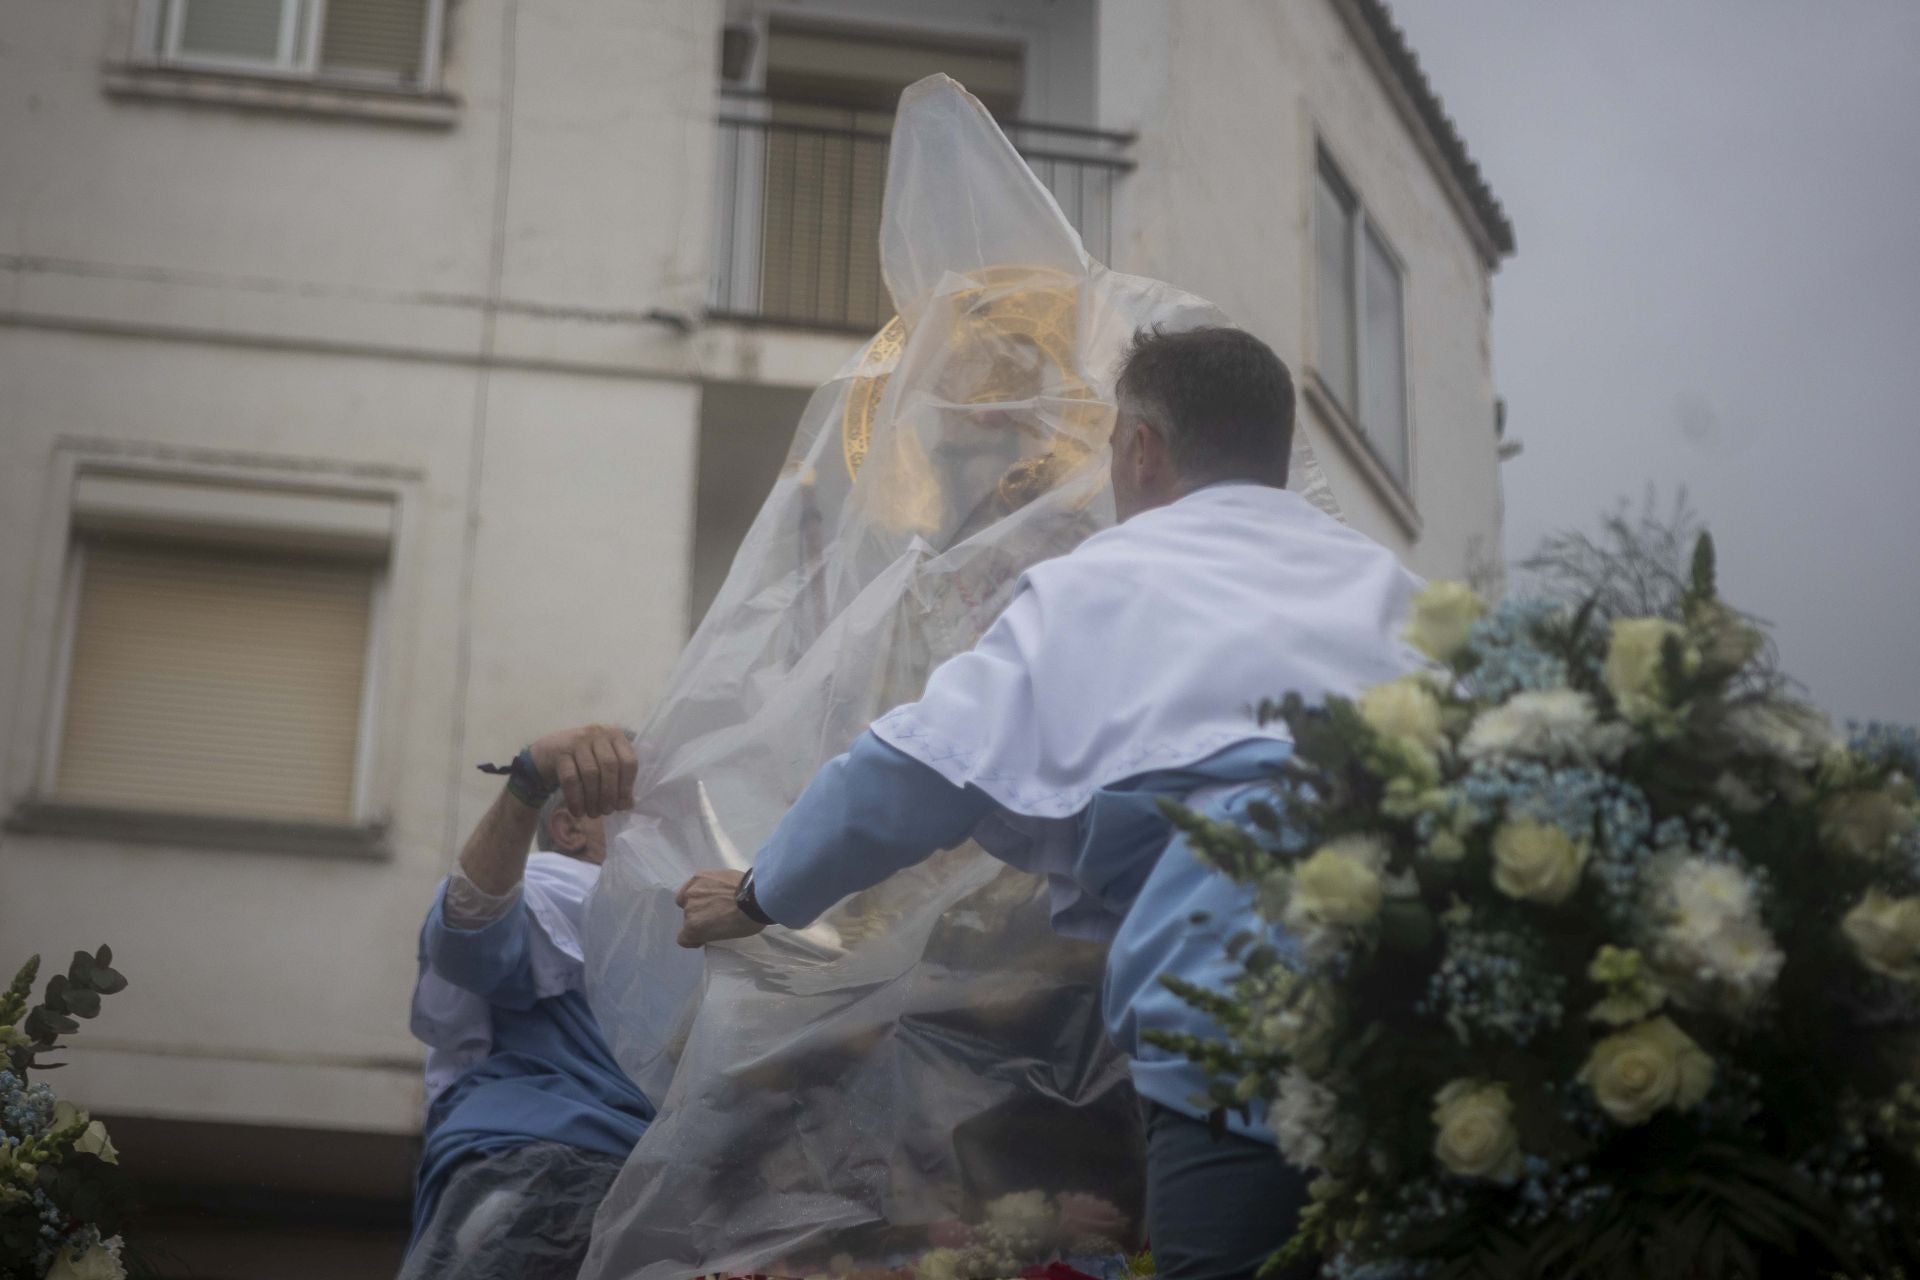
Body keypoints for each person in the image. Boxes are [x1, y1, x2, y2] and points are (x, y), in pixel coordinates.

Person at [675, 326, 1423, 1280]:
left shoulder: (1102, 583)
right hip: (1427, 1011)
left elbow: (915, 766)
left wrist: (758, 893)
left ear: (1142, 447)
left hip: (1239, 1010)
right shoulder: (1395, 591)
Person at [401, 724, 654, 1280]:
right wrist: (528, 781)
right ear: (570, 831)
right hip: (549, 1166)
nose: (664, 824)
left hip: (639, 1190)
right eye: (640, 807)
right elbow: (470, 936)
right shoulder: (553, 885)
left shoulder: (671, 922)